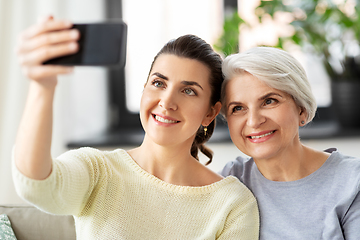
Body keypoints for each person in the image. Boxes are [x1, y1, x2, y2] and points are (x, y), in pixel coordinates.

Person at [12, 16, 259, 239]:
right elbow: (38, 186)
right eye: (159, 83)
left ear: (210, 113)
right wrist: (42, 86)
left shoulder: (232, 204)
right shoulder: (98, 171)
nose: (166, 102)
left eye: (188, 91)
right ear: (144, 88)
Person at [219, 46, 360, 240]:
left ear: (301, 109)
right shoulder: (230, 180)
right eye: (238, 108)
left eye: (269, 101)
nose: (253, 121)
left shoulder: (352, 182)